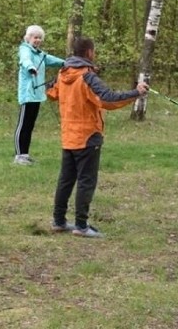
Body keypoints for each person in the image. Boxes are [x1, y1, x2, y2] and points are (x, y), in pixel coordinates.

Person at [46, 36, 149, 238]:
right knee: (86, 181)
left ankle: (58, 221)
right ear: (89, 53)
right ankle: (81, 226)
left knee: (66, 180)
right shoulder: (86, 77)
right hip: (88, 136)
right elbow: (107, 99)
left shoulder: (63, 73)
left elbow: (51, 92)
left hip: (69, 136)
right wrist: (136, 93)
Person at [14, 25, 64, 165]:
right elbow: (25, 60)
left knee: (30, 126)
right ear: (28, 38)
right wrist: (31, 68)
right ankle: (19, 156)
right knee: (23, 125)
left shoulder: (40, 54)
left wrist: (68, 63)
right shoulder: (25, 49)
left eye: (40, 38)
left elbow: (53, 60)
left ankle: (25, 154)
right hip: (27, 94)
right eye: (35, 37)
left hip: (37, 95)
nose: (38, 40)